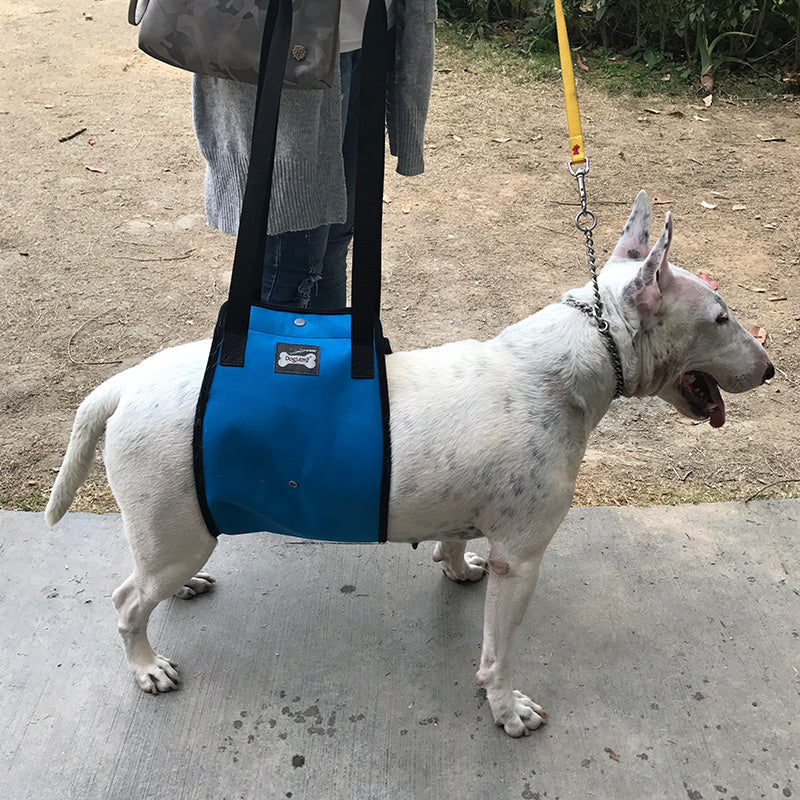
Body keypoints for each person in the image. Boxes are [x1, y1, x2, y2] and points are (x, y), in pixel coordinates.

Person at [192, 0, 436, 309]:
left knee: (334, 244)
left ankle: (326, 354)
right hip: (280, 40)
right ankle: (264, 353)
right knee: (290, 255)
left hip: (371, 33)